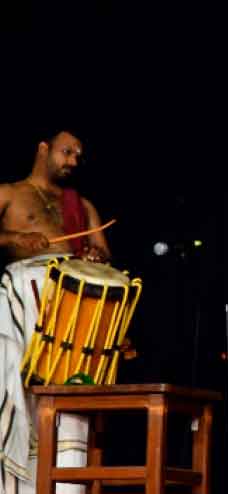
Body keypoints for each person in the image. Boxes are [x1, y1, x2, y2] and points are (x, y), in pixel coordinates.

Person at [0, 128, 111, 493]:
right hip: (21, 301)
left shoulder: (82, 206)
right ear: (43, 148)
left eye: (78, 155)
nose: (74, 161)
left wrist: (96, 255)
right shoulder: (8, 193)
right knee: (18, 394)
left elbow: (103, 252)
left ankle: (66, 487)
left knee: (67, 399)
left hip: (70, 307)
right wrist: (16, 239)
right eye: (67, 152)